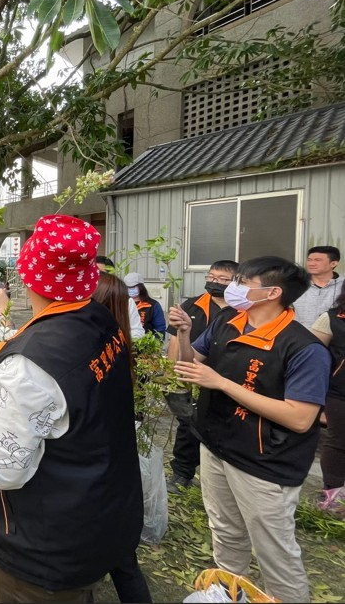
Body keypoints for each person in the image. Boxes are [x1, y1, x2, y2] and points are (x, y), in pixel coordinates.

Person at [0, 214, 144, 603]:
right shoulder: (100, 321)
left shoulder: (30, 364)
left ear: (28, 275)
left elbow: (0, 464)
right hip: (96, 516)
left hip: (42, 549)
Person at [171, 256, 331, 602]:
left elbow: (300, 417)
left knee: (275, 550)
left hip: (265, 462)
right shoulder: (228, 320)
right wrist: (184, 333)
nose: (233, 287)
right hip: (217, 445)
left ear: (273, 292)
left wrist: (223, 383)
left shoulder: (303, 348)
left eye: (243, 281)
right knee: (225, 531)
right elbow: (187, 364)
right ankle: (229, 592)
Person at [89, 269, 152, 603]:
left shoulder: (95, 353)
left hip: (96, 475)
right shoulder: (125, 347)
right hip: (121, 477)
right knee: (124, 561)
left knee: (94, 557)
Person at [164, 260, 238, 493]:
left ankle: (218, 479)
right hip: (192, 373)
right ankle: (182, 472)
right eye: (211, 277)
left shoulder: (241, 310)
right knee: (188, 425)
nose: (215, 283)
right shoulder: (193, 305)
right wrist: (172, 373)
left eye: (223, 280)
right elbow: (175, 340)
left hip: (227, 378)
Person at [311, 289, 345, 492]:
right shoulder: (331, 319)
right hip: (339, 393)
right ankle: (333, 493)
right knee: (339, 442)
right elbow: (312, 358)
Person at [293, 245, 342, 329]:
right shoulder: (295, 284)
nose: (311, 264)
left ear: (333, 263)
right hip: (300, 338)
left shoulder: (342, 285)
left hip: (336, 338)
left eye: (318, 260)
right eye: (309, 260)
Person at [96, 256, 144, 340]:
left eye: (102, 273)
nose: (97, 276)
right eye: (94, 272)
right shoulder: (82, 299)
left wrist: (114, 341)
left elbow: (138, 332)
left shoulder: (126, 301)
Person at [124, 272, 166, 339]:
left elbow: (160, 329)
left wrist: (156, 344)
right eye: (128, 287)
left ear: (141, 287)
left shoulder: (153, 306)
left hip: (147, 346)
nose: (130, 290)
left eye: (133, 287)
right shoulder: (122, 304)